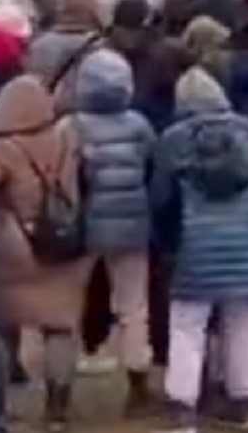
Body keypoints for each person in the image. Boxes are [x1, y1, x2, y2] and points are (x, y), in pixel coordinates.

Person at [0, 74, 92, 432]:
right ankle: (58, 408)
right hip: (65, 245)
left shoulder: (3, 150)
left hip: (18, 249)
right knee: (59, 326)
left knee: (1, 323)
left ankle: (2, 403)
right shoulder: (66, 138)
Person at [151, 67, 248, 433]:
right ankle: (240, 403)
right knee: (245, 325)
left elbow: (161, 198)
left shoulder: (174, 139)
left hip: (196, 245)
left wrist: (165, 242)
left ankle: (183, 409)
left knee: (187, 326)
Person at [67, 49, 157, 413]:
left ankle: (63, 383)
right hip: (132, 221)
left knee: (69, 302)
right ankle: (137, 379)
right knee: (133, 304)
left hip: (83, 224)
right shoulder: (139, 125)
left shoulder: (71, 126)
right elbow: (152, 166)